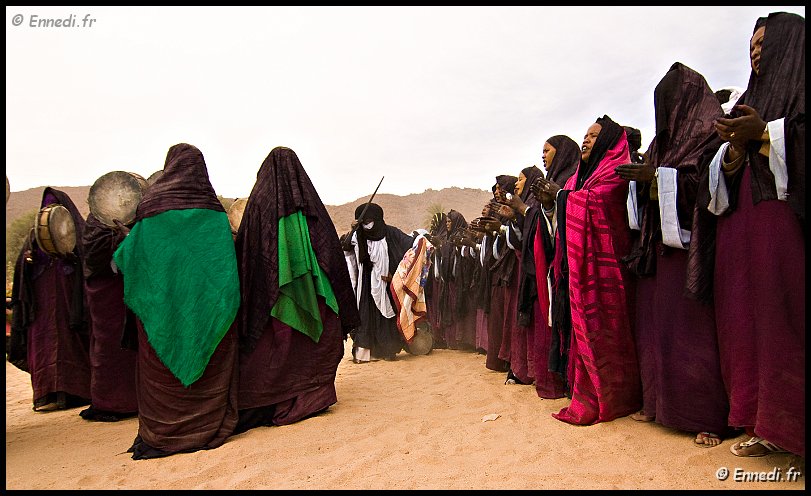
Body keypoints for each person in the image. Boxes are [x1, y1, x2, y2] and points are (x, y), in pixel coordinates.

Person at [689, 12, 804, 458]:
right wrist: (732, 154)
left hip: (783, 228)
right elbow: (715, 174)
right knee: (746, 321)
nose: (755, 51)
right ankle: (763, 421)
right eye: (751, 46)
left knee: (783, 317)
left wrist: (769, 135)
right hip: (741, 230)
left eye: (764, 44)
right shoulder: (748, 100)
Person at [615, 62, 730, 447]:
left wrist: (662, 179)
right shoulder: (662, 144)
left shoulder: (707, 135)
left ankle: (704, 415)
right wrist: (645, 182)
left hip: (692, 251)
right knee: (655, 330)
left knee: (693, 334)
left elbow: (707, 186)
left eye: (671, 101)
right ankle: (660, 404)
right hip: (657, 251)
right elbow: (645, 184)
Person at [112, 143, 241, 459]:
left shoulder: (150, 213)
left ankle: (164, 432)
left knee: (162, 364)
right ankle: (208, 424)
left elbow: (122, 263)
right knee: (211, 361)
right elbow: (227, 269)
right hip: (212, 313)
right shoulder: (214, 215)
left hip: (161, 316)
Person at [232, 146, 360, 433]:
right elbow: (331, 257)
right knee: (315, 343)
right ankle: (311, 398)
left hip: (270, 299)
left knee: (273, 347)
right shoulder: (313, 209)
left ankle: (278, 400)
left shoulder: (258, 207)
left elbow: (248, 257)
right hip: (317, 297)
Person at [536, 115, 641, 425]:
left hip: (609, 271)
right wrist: (555, 200)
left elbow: (602, 202)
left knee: (608, 331)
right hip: (577, 270)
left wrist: (560, 197)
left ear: (607, 142)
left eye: (594, 137)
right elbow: (566, 205)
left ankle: (614, 395)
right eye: (585, 135)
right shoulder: (577, 179)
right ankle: (586, 390)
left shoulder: (614, 174)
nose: (586, 140)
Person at [7, 187, 91, 411]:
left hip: (68, 304)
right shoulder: (34, 237)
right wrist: (28, 260)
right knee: (45, 346)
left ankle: (75, 393)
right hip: (42, 307)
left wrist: (70, 259)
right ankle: (47, 394)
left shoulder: (77, 232)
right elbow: (22, 272)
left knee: (69, 345)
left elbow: (87, 264)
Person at [78, 212, 138, 421]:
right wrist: (117, 239)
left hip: (127, 292)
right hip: (105, 293)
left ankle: (134, 399)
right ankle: (110, 402)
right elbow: (93, 255)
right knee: (108, 346)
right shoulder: (95, 226)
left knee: (131, 347)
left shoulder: (135, 216)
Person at [342, 202, 413, 362]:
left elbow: (409, 246)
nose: (367, 224)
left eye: (369, 219)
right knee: (365, 317)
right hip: (365, 284)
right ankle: (364, 354)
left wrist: (395, 274)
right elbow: (347, 249)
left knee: (386, 317)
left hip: (386, 284)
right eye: (363, 221)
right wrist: (353, 229)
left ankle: (388, 351)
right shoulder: (357, 235)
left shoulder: (390, 233)